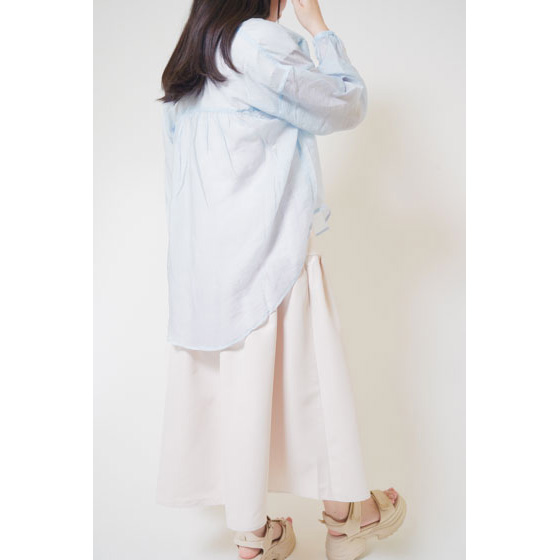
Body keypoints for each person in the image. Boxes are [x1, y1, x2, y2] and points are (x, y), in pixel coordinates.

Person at [155, 1, 406, 559]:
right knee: (310, 379)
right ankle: (348, 518)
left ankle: (254, 536)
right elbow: (346, 103)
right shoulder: (256, 41)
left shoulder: (192, 57)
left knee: (238, 392)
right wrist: (317, 27)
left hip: (203, 271)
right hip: (266, 255)